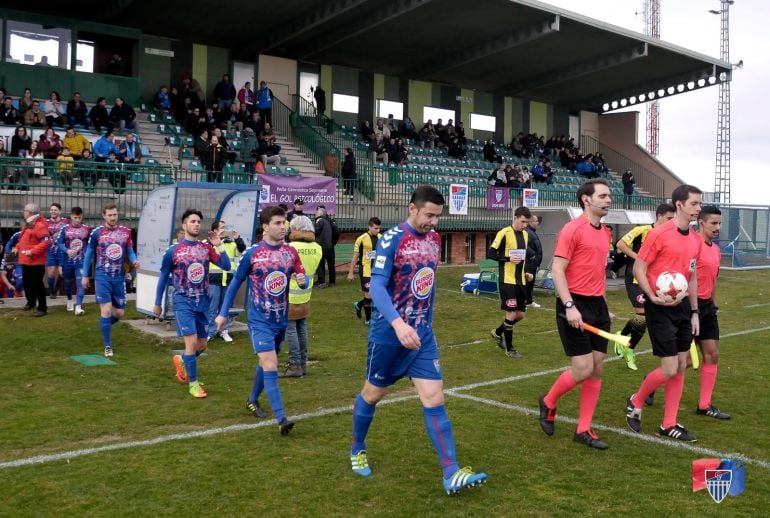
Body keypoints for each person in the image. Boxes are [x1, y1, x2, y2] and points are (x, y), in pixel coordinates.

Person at [348, 185, 487, 494]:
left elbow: (429, 282)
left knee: (434, 398)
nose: (433, 222)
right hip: (389, 335)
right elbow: (378, 288)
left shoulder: (435, 240)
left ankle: (450, 471)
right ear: (412, 208)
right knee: (372, 394)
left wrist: (427, 320)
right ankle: (357, 447)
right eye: (429, 215)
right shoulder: (391, 240)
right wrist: (398, 324)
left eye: (437, 216)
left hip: (422, 334)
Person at [215, 206, 307, 433]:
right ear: (265, 227)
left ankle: (252, 400)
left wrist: (302, 280)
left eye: (283, 222)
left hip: (280, 320)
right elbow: (235, 283)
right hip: (259, 320)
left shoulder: (291, 252)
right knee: (271, 365)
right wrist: (223, 313)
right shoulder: (253, 253)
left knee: (266, 363)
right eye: (277, 223)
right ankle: (282, 419)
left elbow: (302, 278)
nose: (282, 226)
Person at [538, 179, 613, 450]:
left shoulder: (606, 232)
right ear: (586, 199)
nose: (608, 200)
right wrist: (569, 306)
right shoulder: (572, 229)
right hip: (574, 303)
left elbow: (598, 272)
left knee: (596, 368)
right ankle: (548, 402)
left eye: (609, 196)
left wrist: (605, 306)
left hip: (597, 306)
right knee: (582, 369)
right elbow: (557, 271)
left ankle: (583, 429)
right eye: (603, 196)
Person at [625, 185, 703, 443]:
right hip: (658, 307)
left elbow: (691, 279)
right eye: (694, 204)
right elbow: (639, 268)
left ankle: (668, 423)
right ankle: (636, 400)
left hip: (682, 308)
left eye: (699, 204)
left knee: (681, 365)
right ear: (679, 205)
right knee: (669, 368)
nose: (698, 208)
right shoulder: (659, 234)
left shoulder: (695, 239)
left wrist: (694, 311)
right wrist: (651, 295)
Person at [155, 209, 230, 398]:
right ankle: (193, 384)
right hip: (183, 302)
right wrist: (157, 302)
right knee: (191, 343)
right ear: (184, 225)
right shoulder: (173, 251)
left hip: (202, 303)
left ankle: (181, 360)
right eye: (193, 221)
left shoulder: (206, 249)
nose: (197, 224)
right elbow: (164, 276)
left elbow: (227, 266)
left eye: (199, 222)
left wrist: (219, 246)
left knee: (202, 346)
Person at [614, 203, 676, 371]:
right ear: (659, 216)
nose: (672, 222)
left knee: (646, 318)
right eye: (669, 218)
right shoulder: (642, 230)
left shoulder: (668, 235)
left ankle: (625, 340)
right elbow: (620, 244)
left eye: (674, 219)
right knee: (643, 314)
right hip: (635, 279)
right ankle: (627, 343)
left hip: (653, 281)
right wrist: (638, 257)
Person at [81, 204, 139, 357]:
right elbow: (89, 254)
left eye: (115, 215)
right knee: (106, 309)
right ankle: (108, 346)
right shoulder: (97, 233)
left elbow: (130, 252)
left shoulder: (126, 233)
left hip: (118, 277)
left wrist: (134, 261)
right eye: (110, 215)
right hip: (102, 276)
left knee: (119, 313)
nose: (113, 218)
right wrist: (85, 275)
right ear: (104, 216)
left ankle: (104, 324)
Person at [693, 205, 730, 420]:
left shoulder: (715, 250)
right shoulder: (692, 245)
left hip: (707, 307)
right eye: (713, 223)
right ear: (702, 222)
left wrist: (713, 303)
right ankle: (646, 389)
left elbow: (713, 278)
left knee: (712, 354)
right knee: (685, 361)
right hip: (690, 307)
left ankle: (704, 405)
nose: (717, 227)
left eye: (719, 223)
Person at [280, 216, 322, 378]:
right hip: (305, 294)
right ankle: (303, 364)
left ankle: (294, 364)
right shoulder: (317, 248)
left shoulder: (289, 248)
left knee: (290, 330)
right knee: (302, 328)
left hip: (289, 295)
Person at [488, 206, 533, 358]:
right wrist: (507, 259)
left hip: (521, 280)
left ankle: (497, 332)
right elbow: (491, 253)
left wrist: (526, 271)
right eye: (523, 222)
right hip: (507, 281)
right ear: (516, 218)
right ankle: (510, 349)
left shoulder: (526, 235)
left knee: (520, 315)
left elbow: (523, 257)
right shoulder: (504, 233)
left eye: (527, 222)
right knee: (511, 314)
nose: (525, 225)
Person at [206, 220, 246, 343]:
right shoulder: (209, 243)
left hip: (228, 280)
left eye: (225, 227)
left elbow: (242, 250)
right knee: (212, 308)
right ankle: (211, 332)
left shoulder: (231, 243)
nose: (224, 229)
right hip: (214, 280)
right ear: (215, 231)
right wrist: (216, 241)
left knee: (225, 307)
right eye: (222, 228)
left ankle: (224, 331)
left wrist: (238, 239)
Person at [17, 203, 52, 316]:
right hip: (26, 260)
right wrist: (17, 247)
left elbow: (46, 242)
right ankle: (31, 302)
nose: (24, 212)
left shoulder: (39, 225)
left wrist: (32, 251)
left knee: (37, 285)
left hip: (35, 261)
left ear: (30, 213)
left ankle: (42, 308)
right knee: (27, 283)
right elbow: (24, 239)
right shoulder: (30, 224)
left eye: (25, 211)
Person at [57, 207, 91, 315]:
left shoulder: (86, 229)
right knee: (67, 282)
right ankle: (69, 300)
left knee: (80, 283)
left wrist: (88, 258)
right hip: (67, 262)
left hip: (81, 261)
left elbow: (91, 245)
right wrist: (67, 250)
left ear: (82, 217)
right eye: (75, 217)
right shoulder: (65, 229)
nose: (77, 220)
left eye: (79, 218)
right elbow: (59, 243)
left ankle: (79, 306)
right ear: (71, 217)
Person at [347, 217, 382, 325]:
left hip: (378, 271)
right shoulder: (361, 239)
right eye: (375, 228)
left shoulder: (381, 238)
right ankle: (368, 320)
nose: (378, 231)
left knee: (376, 295)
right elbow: (355, 257)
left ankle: (359, 304)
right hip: (366, 271)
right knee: (369, 295)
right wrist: (351, 272)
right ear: (370, 227)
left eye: (379, 228)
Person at [45, 203, 69, 298]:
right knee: (50, 274)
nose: (53, 212)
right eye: (51, 210)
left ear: (60, 211)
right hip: (50, 251)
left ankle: (56, 288)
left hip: (62, 252)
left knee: (62, 273)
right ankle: (52, 290)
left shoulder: (66, 222)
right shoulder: (46, 223)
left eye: (55, 210)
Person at [314, 206, 336, 288]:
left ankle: (322, 282)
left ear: (320, 214)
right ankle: (332, 282)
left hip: (321, 247)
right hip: (330, 246)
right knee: (331, 265)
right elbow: (336, 233)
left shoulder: (320, 221)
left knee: (320, 265)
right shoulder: (329, 221)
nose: (315, 214)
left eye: (317, 212)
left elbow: (315, 232)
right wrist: (332, 243)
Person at [525, 215, 543, 307]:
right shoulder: (527, 232)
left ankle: (529, 301)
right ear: (531, 222)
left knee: (530, 283)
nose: (537, 223)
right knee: (527, 283)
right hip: (529, 263)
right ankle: (524, 302)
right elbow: (525, 246)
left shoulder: (532, 232)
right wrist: (533, 255)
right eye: (536, 221)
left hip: (533, 263)